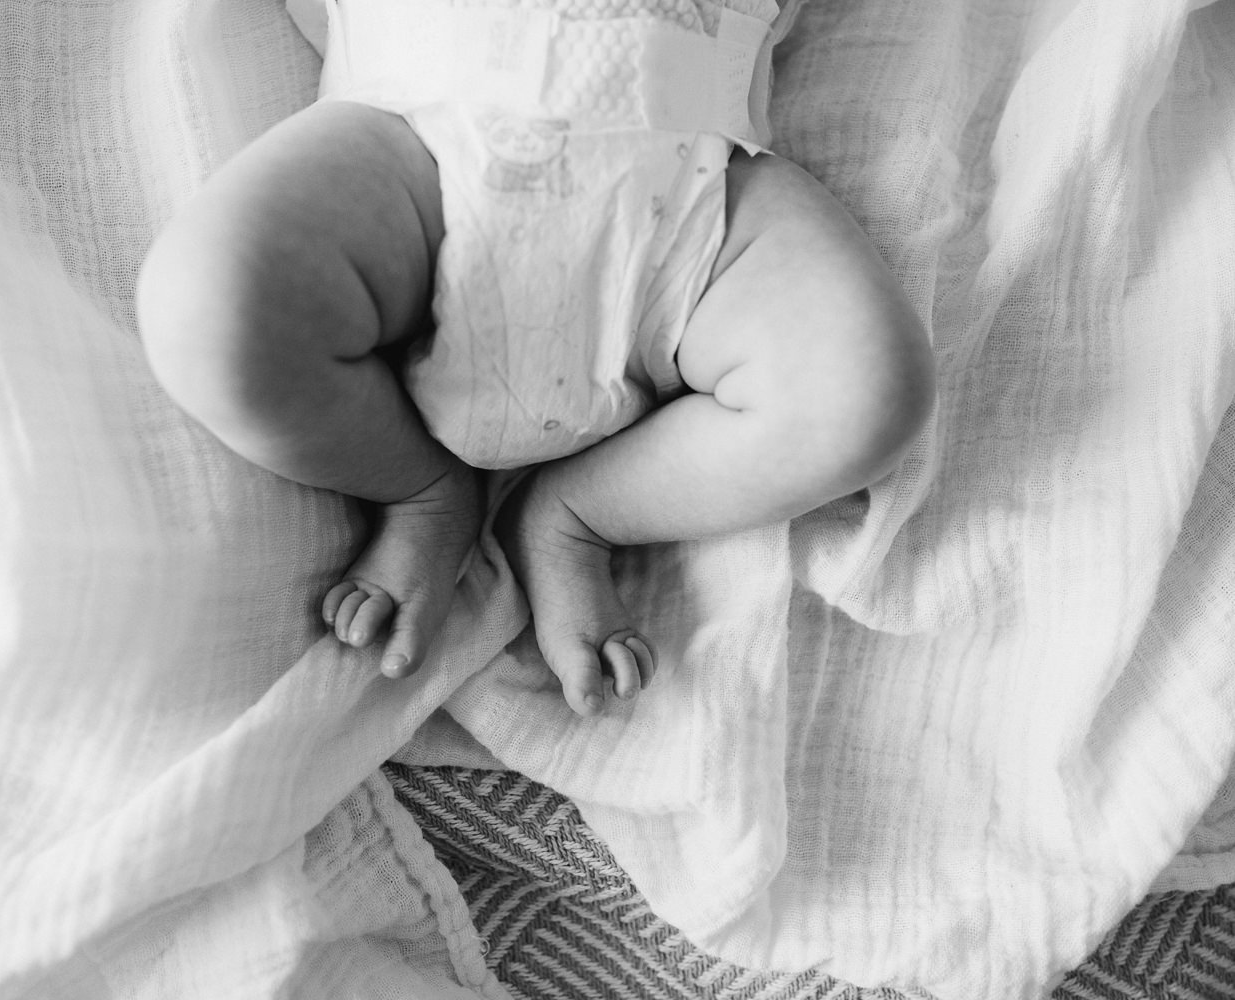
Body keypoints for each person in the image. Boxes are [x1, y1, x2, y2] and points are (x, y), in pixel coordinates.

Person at [136, 0, 935, 717]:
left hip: (694, 198)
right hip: (424, 148)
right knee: (208, 304)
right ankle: (419, 487)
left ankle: (578, 511)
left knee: (863, 395)